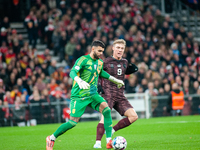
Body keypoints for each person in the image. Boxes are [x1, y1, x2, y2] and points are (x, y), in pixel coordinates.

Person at [46, 40, 125, 150]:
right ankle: (52, 138)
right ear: (93, 49)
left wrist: (116, 80)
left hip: (93, 94)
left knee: (106, 110)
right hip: (79, 95)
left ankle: (109, 142)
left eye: (102, 51)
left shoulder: (100, 62)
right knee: (73, 122)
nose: (101, 53)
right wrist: (79, 81)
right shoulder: (83, 60)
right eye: (99, 51)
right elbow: (72, 72)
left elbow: (101, 73)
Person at [93, 39, 139, 149]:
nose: (120, 50)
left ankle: (112, 130)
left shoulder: (125, 62)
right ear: (113, 48)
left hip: (120, 94)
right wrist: (98, 85)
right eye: (118, 48)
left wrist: (132, 69)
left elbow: (124, 70)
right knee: (104, 117)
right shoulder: (105, 62)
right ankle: (98, 143)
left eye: (122, 48)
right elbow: (97, 73)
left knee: (133, 116)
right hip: (107, 93)